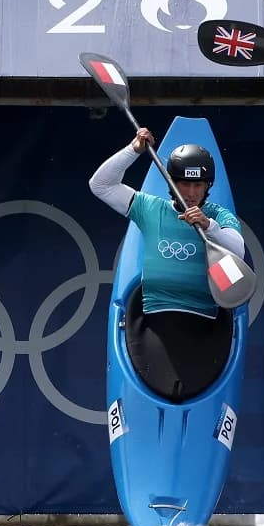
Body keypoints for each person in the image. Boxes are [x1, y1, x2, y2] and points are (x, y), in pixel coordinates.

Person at [89, 128, 247, 402]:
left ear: (208, 187)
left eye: (199, 185)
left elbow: (238, 252)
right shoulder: (150, 209)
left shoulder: (219, 217)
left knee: (188, 390)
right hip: (155, 321)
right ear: (170, 181)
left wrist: (209, 227)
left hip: (205, 326)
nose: (191, 192)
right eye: (184, 183)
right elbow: (100, 185)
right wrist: (133, 151)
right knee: (166, 390)